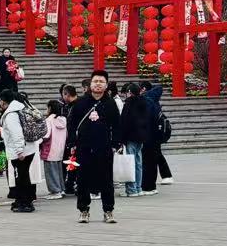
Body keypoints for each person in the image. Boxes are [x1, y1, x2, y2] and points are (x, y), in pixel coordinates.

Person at [69, 71, 122, 224]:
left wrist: (116, 143)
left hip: (104, 147)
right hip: (83, 147)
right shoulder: (80, 102)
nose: (98, 84)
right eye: (95, 81)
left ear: (106, 85)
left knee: (106, 180)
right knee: (82, 179)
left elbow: (117, 125)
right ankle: (84, 210)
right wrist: (72, 142)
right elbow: (72, 124)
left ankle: (108, 210)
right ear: (90, 84)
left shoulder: (110, 103)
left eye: (101, 81)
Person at [0, 88, 37, 212]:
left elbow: (16, 133)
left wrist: (20, 151)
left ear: (4, 101)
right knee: (22, 175)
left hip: (20, 151)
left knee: (21, 176)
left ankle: (25, 203)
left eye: (0, 100)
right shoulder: (20, 108)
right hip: (28, 148)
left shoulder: (11, 114)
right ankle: (21, 200)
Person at [119, 82, 152, 197]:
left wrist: (121, 138)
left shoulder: (129, 103)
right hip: (141, 137)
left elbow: (124, 121)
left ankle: (131, 189)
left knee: (130, 163)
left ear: (129, 92)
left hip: (130, 137)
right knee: (138, 163)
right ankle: (138, 187)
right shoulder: (145, 102)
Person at [142, 83, 174, 191]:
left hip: (151, 135)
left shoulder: (148, 101)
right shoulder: (154, 100)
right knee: (157, 156)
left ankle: (152, 184)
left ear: (144, 89)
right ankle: (166, 176)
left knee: (152, 159)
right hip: (156, 135)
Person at [42, 98, 69, 198]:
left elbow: (46, 135)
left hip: (49, 150)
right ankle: (61, 189)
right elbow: (66, 135)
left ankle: (55, 191)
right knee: (58, 171)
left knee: (50, 171)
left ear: (50, 108)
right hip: (60, 149)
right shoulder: (63, 119)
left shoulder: (49, 120)